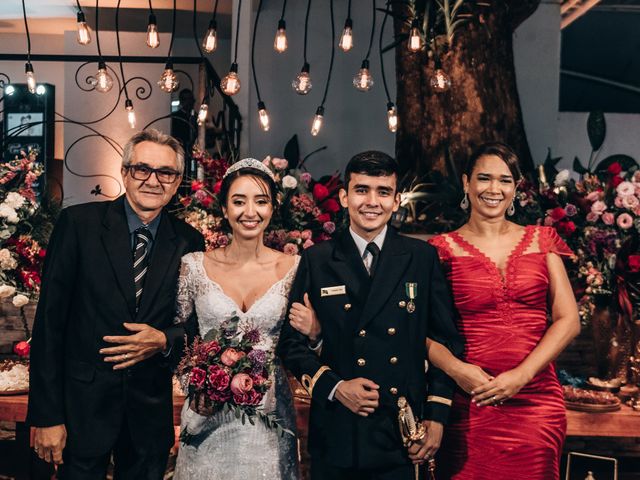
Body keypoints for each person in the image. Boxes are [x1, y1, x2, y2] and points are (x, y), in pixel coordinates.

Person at [27, 129, 205, 479]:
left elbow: (199, 323)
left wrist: (164, 339)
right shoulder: (78, 225)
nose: (153, 180)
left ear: (177, 181)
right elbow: (49, 324)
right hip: (82, 408)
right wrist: (46, 416)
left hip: (148, 414)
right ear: (125, 172)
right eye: (142, 169)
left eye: (165, 173)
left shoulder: (189, 240)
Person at [278, 151, 463, 480]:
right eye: (362, 190)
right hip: (338, 432)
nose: (372, 202)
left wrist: (436, 415)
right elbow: (290, 346)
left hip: (400, 433)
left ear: (396, 200)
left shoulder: (421, 258)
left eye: (383, 191)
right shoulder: (318, 260)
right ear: (344, 197)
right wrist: (335, 387)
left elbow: (446, 340)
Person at [426, 142, 580, 479]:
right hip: (471, 400)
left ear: (516, 187)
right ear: (467, 183)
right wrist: (457, 370)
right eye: (484, 178)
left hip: (536, 402)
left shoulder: (543, 240)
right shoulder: (439, 250)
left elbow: (569, 320)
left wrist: (523, 375)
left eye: (505, 180)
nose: (494, 189)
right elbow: (420, 332)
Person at [173, 158, 301, 479]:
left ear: (272, 208)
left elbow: (302, 344)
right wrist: (195, 382)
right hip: (207, 414)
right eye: (239, 201)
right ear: (225, 209)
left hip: (270, 416)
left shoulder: (295, 267)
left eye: (261, 201)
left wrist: (314, 329)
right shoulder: (194, 266)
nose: (250, 212)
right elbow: (176, 338)